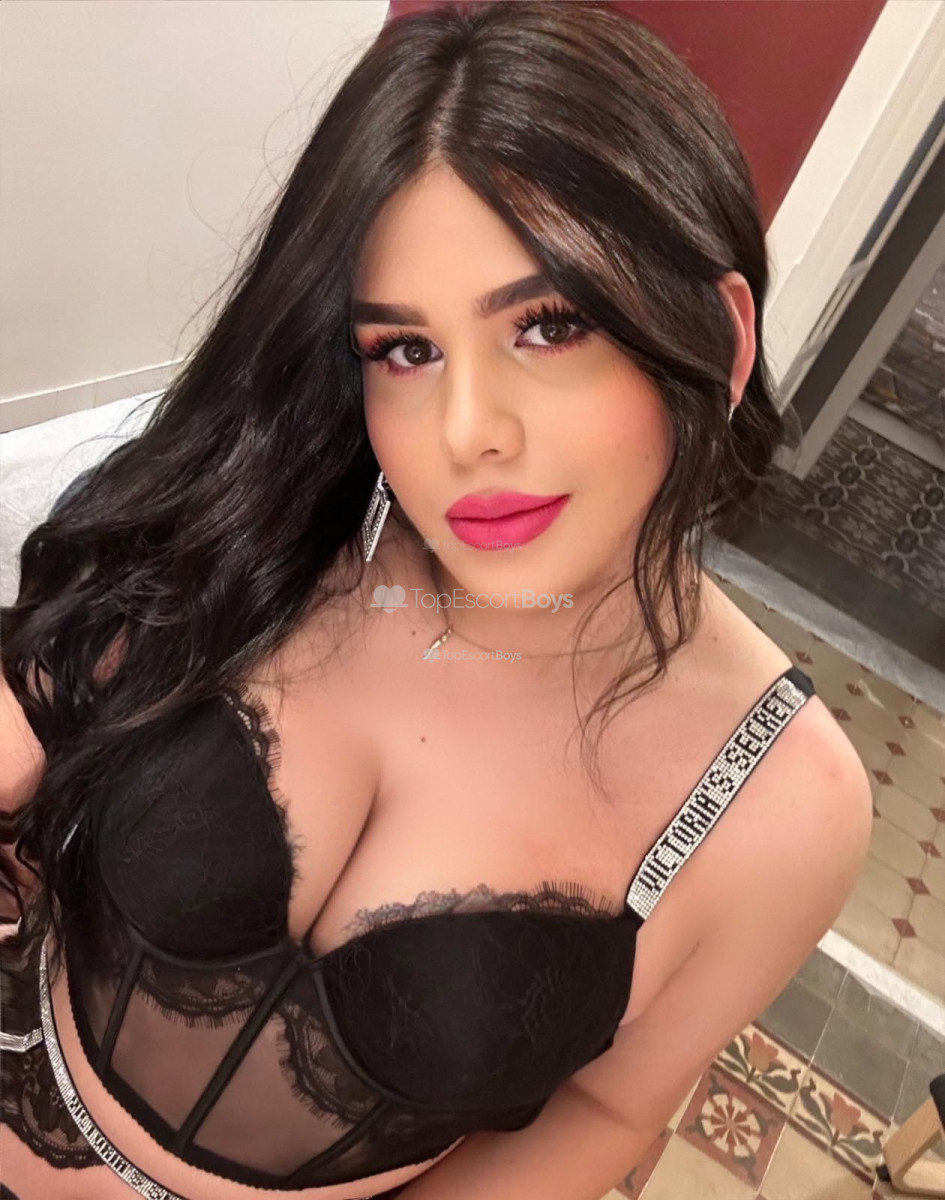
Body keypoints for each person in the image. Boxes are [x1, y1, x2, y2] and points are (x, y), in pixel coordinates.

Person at [0, 3, 874, 1198]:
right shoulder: (269, 532)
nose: (466, 433)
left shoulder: (784, 802)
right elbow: (31, 706)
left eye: (549, 326)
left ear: (720, 339)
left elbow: (609, 1109)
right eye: (405, 351)